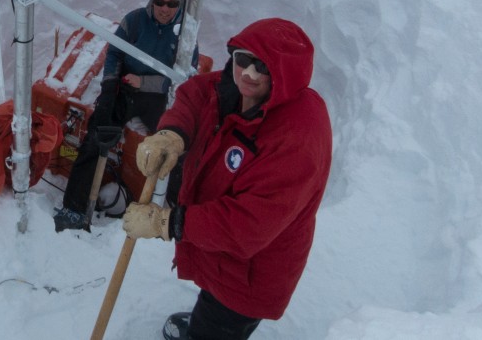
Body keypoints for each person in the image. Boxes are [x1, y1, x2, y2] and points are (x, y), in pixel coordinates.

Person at [121, 18, 332, 340]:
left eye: (262, 67)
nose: (248, 74)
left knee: (220, 325)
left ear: (284, 74)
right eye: (243, 60)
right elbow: (195, 96)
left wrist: (166, 223)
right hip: (222, 255)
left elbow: (248, 225)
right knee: (212, 300)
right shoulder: (234, 89)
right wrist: (172, 134)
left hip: (251, 272)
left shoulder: (296, 138)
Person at [53, 0, 185, 232]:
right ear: (152, 1)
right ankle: (74, 208)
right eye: (159, 2)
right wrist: (110, 85)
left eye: (172, 4)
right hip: (123, 87)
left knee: (174, 148)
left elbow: (181, 75)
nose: (164, 8)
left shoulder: (184, 35)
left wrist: (145, 82)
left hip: (157, 95)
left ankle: (175, 212)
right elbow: (114, 53)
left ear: (179, 7)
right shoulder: (134, 21)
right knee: (94, 138)